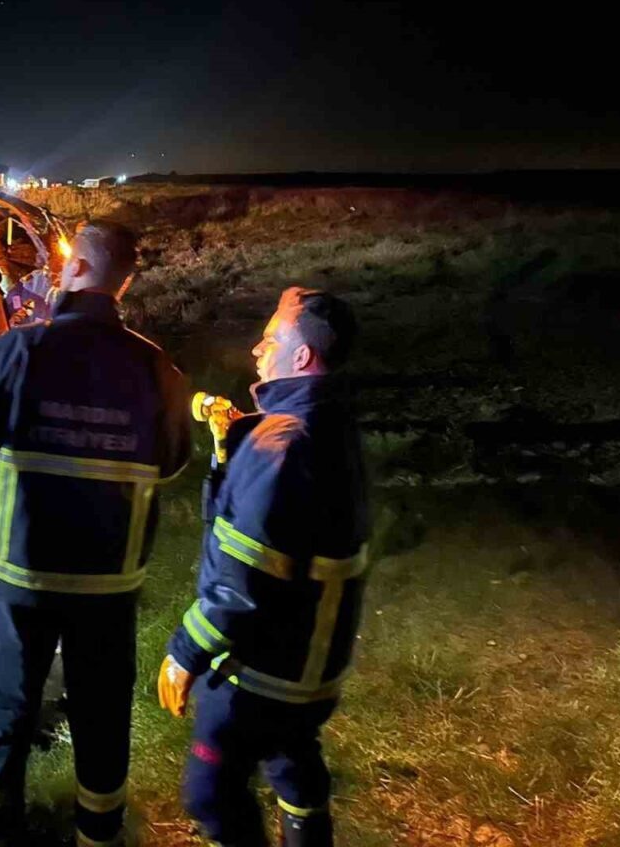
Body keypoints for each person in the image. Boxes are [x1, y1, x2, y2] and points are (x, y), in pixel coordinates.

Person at [0, 219, 192, 847]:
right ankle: (98, 835)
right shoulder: (157, 368)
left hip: (20, 572)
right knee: (102, 711)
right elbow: (172, 463)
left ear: (76, 268)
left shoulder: (15, 353)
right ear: (123, 283)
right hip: (109, 578)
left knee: (2, 708)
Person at [159, 287, 368, 847]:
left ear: (302, 358)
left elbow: (243, 582)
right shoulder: (325, 420)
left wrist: (184, 654)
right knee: (291, 757)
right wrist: (236, 446)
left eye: (271, 339)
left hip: (267, 670)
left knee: (209, 793)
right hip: (313, 664)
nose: (257, 349)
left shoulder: (282, 443)